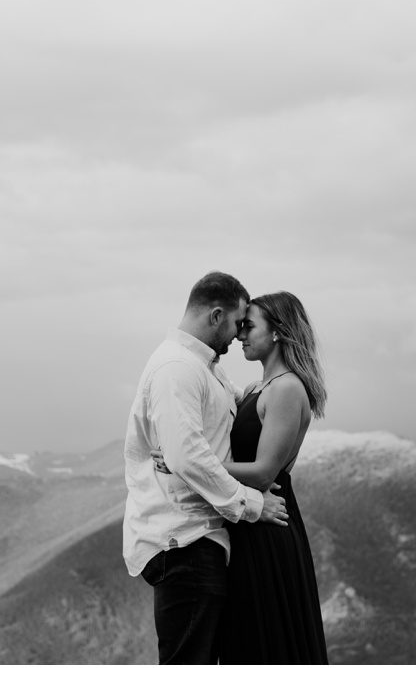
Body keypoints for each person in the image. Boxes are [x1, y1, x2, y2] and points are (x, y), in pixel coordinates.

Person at [154, 290, 329, 663]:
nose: (240, 335)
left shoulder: (286, 388)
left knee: (265, 642)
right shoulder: (254, 388)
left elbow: (265, 472)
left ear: (278, 332)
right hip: (247, 522)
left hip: (268, 523)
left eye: (249, 327)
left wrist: (184, 464)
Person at [123, 271, 289, 665]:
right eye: (236, 323)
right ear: (216, 315)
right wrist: (252, 504)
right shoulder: (176, 368)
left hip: (199, 541)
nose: (238, 335)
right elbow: (186, 457)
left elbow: (230, 409)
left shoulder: (204, 367)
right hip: (184, 542)